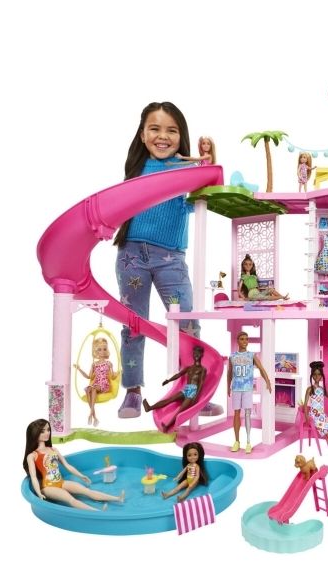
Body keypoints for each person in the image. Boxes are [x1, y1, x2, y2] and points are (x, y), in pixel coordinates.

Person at [113, 101, 201, 419]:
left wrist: (207, 164)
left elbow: (203, 198)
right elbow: (119, 206)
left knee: (187, 323)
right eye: (155, 129)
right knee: (134, 324)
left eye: (171, 130)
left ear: (181, 135)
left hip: (171, 258)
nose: (163, 136)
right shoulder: (136, 169)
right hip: (131, 255)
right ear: (142, 134)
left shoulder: (187, 168)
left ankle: (192, 389)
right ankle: (133, 391)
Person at [24, 419, 125, 511]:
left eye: (48, 430)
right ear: (35, 434)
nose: (47, 433)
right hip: (48, 487)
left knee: (86, 491)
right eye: (43, 431)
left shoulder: (53, 450)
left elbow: (67, 466)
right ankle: (97, 512)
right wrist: (39, 493)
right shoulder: (32, 455)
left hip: (61, 482)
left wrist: (81, 476)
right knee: (71, 500)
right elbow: (33, 477)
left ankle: (117, 498)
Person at [142, 345, 207, 432]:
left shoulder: (202, 369)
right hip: (187, 389)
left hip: (193, 391)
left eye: (198, 353)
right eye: (194, 353)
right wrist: (168, 380)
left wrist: (196, 397)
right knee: (170, 399)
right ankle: (150, 408)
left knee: (181, 410)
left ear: (202, 354)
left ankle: (167, 426)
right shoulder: (189, 368)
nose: (196, 355)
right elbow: (178, 375)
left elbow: (201, 383)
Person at [227, 331, 272, 453]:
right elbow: (229, 373)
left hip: (247, 388)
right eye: (242, 339)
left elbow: (261, 368)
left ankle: (248, 442)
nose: (245, 341)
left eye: (246, 339)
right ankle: (237, 441)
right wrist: (228, 386)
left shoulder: (251, 355)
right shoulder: (232, 356)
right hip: (236, 388)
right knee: (236, 413)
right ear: (237, 341)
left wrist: (267, 380)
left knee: (247, 413)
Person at [73, 337, 118, 427]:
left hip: (104, 384)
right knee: (88, 389)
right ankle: (94, 417)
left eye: (104, 349)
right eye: (100, 349)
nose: (102, 351)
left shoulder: (108, 363)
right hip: (96, 384)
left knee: (93, 389)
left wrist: (112, 368)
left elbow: (113, 376)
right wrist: (79, 369)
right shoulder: (94, 364)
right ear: (96, 351)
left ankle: (91, 414)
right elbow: (89, 377)